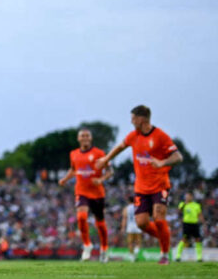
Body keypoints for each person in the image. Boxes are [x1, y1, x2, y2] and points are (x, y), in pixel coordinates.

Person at [96, 105, 183, 265]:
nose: (131, 121)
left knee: (159, 218)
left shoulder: (160, 136)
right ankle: (165, 236)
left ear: (141, 119)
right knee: (141, 223)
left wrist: (162, 162)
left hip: (160, 185)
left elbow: (178, 157)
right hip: (141, 188)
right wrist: (105, 159)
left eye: (133, 118)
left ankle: (164, 255)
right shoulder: (133, 136)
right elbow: (120, 147)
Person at [58, 128, 112, 262]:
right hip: (81, 191)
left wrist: (101, 180)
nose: (85, 138)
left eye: (87, 135)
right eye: (82, 136)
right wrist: (65, 179)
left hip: (97, 193)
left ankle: (104, 248)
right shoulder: (74, 154)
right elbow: (73, 169)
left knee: (100, 223)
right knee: (81, 217)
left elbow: (110, 171)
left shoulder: (99, 153)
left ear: (91, 138)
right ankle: (87, 245)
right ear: (78, 139)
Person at [175, 192, 204, 262]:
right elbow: (178, 211)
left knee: (197, 239)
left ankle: (199, 257)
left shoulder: (196, 205)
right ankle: (178, 256)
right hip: (186, 224)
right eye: (186, 196)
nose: (187, 197)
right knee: (184, 239)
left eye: (189, 196)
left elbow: (200, 214)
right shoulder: (183, 204)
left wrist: (203, 222)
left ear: (192, 197)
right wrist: (184, 204)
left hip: (195, 224)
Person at [120, 195, 142, 262]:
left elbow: (124, 219)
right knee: (138, 243)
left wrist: (123, 228)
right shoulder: (138, 207)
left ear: (128, 201)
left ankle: (132, 256)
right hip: (138, 227)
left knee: (130, 243)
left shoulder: (126, 208)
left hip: (130, 227)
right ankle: (135, 252)